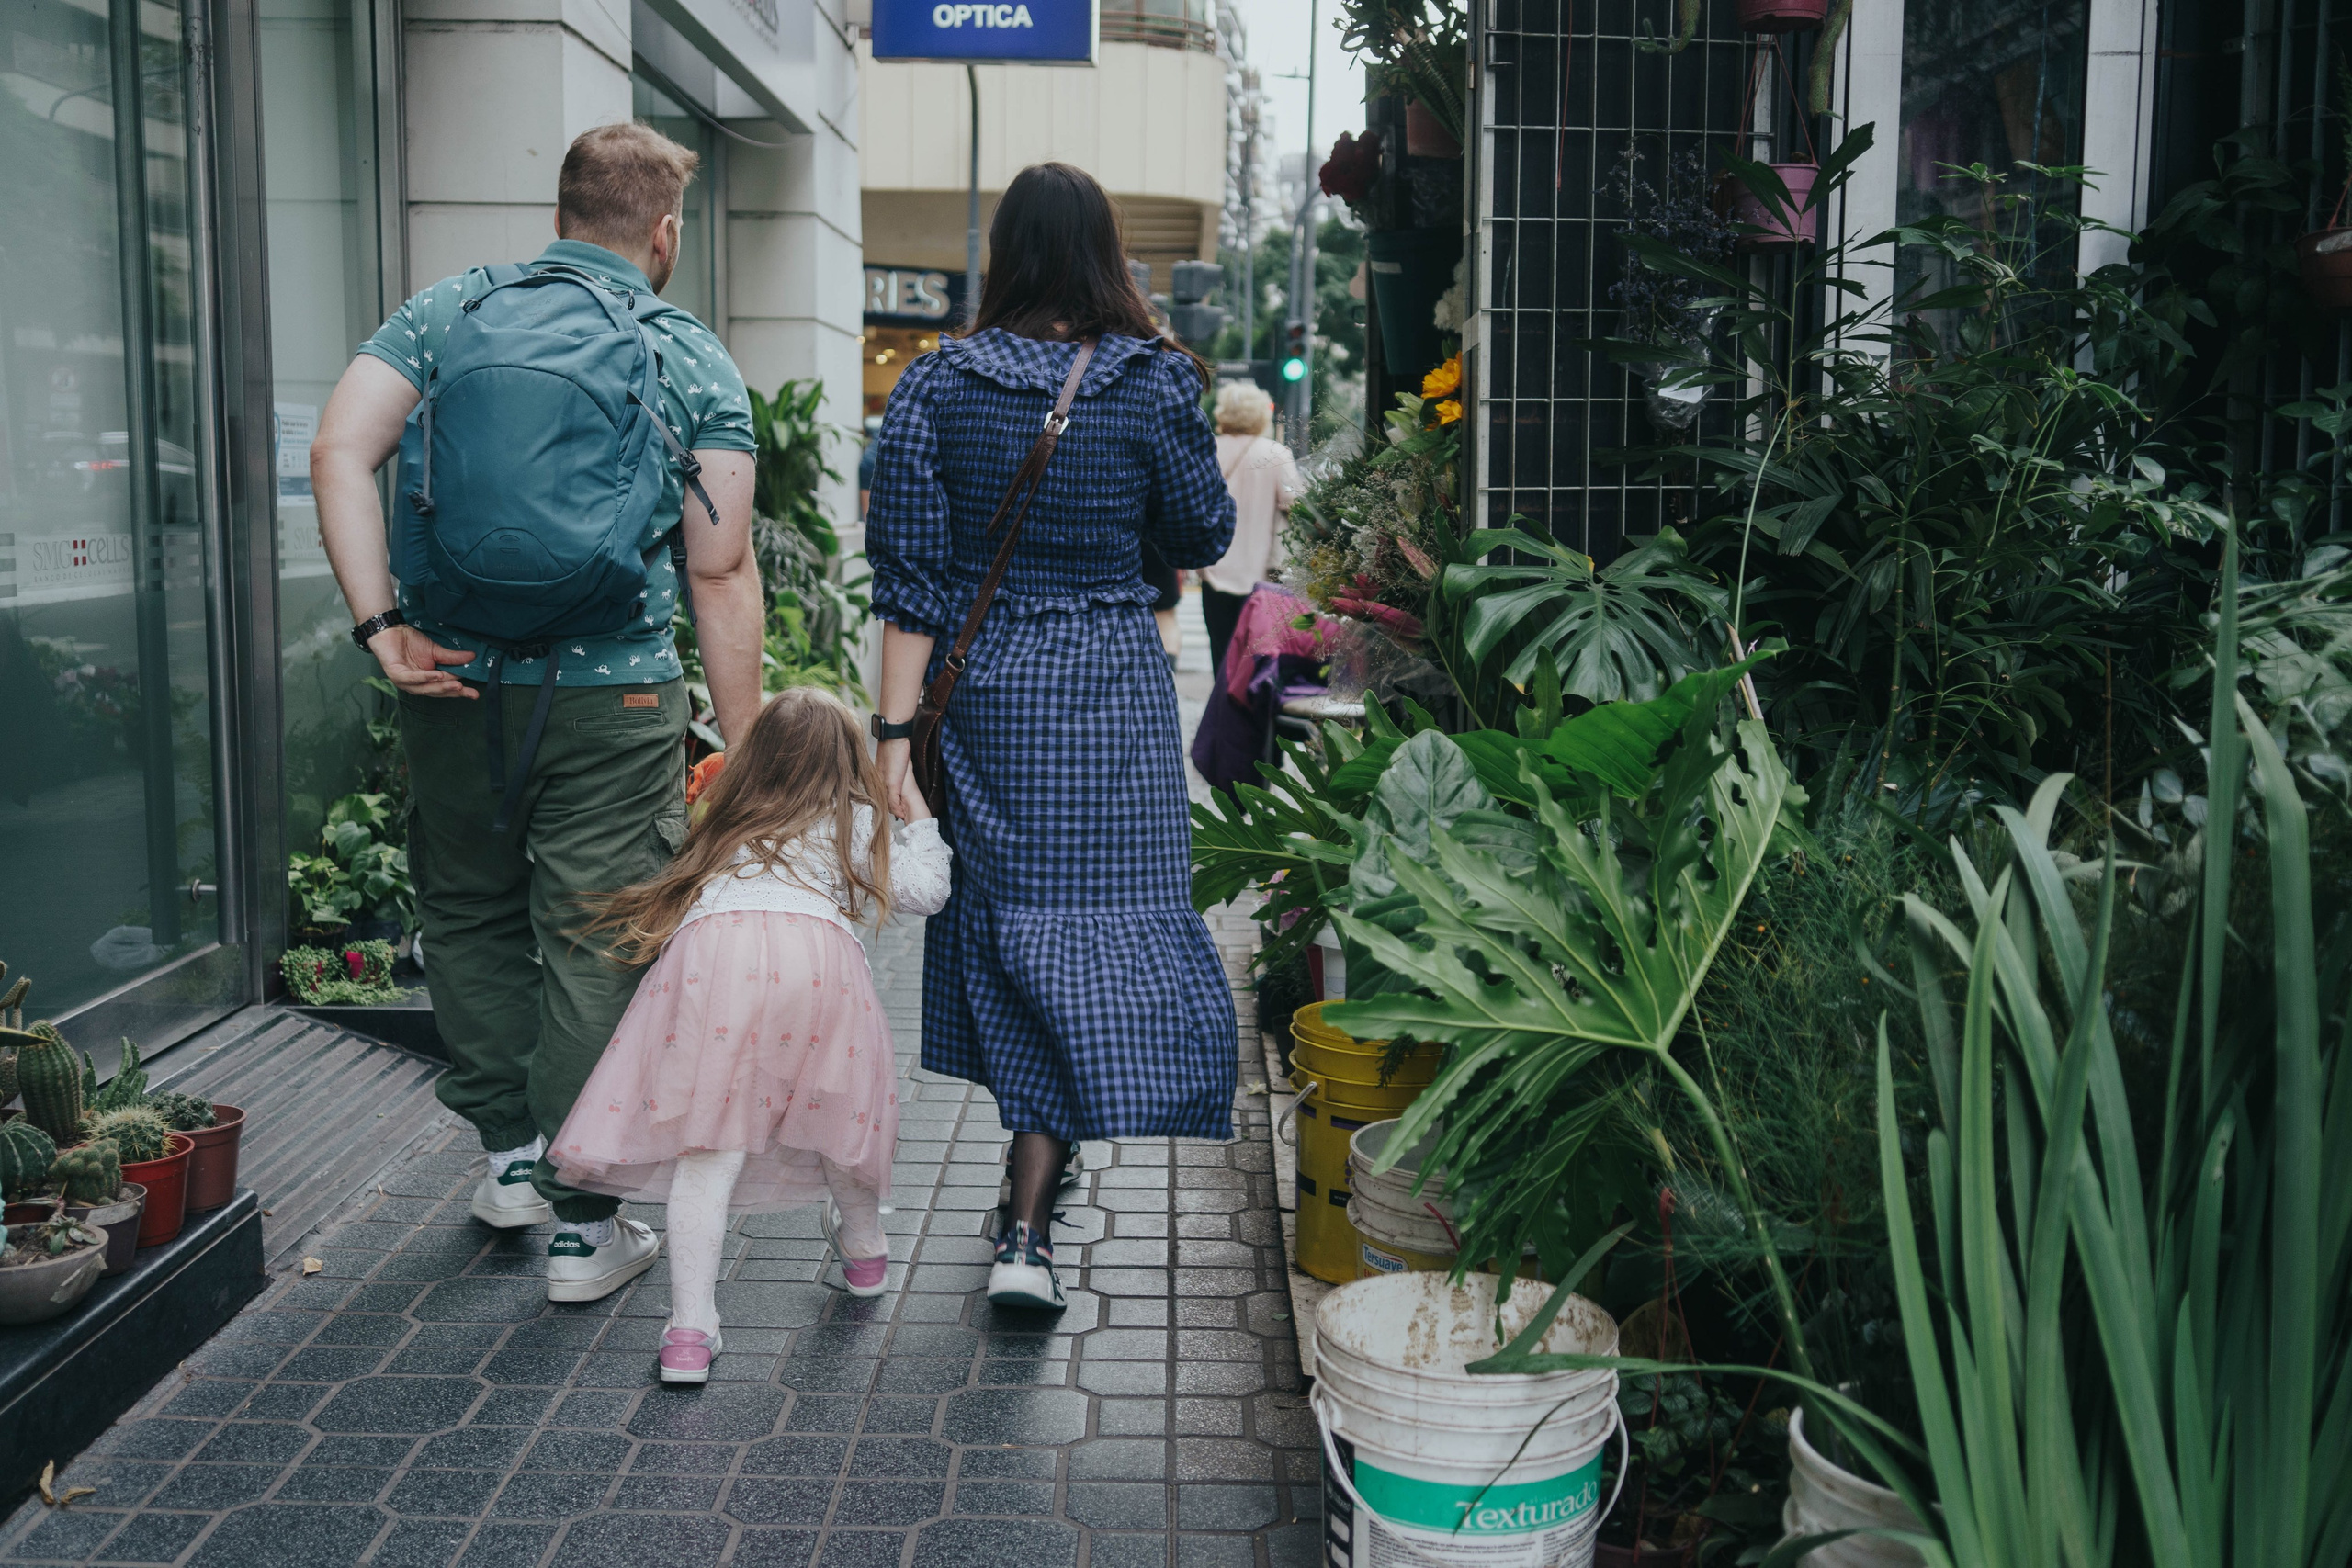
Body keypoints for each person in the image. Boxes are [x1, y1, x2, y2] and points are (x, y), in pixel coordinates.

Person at [310, 121, 763, 1304]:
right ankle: (580, 1226)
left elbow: (336, 451)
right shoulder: (687, 352)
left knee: (466, 913)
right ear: (663, 231)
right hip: (613, 689)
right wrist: (751, 741)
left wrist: (380, 628)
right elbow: (719, 571)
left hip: (453, 675)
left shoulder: (446, 315)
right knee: (595, 933)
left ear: (561, 211)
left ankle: (509, 1162)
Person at [865, 162, 1241, 1312]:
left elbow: (912, 586)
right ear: (1106, 254)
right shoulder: (1153, 380)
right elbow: (1205, 530)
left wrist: (889, 745)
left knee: (1016, 929)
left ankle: (1025, 1208)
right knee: (1100, 928)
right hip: (1116, 692)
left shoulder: (936, 386)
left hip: (992, 698)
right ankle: (1028, 1219)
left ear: (1008, 254)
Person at [548, 688, 953, 1382]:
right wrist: (914, 812)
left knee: (707, 1152)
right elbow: (927, 892)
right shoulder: (855, 819)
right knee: (836, 1119)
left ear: (756, 756)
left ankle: (688, 1331)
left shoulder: (728, 818)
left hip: (715, 965)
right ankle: (864, 1251)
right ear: (846, 760)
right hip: (818, 970)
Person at [1199, 381, 1303, 682]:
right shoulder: (1275, 453)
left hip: (1214, 570)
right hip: (1262, 575)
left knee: (1221, 656)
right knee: (1259, 657)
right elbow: (1297, 504)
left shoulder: (1208, 450)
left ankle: (1223, 715)